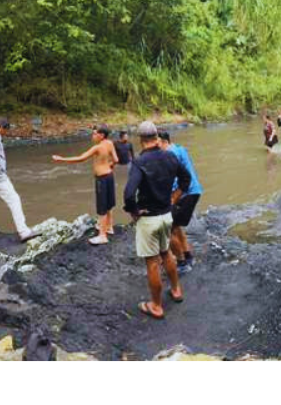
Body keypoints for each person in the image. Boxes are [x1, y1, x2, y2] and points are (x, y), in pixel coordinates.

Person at [124, 121, 191, 320]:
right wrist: (174, 197)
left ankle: (156, 306)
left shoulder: (139, 162)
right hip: (166, 215)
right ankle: (177, 290)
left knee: (152, 262)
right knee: (167, 253)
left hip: (149, 218)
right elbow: (186, 180)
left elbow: (128, 194)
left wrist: (133, 211)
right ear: (156, 137)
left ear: (141, 139)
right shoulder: (170, 155)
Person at [52, 124, 120, 245]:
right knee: (109, 204)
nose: (92, 136)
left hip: (102, 179)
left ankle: (102, 235)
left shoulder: (97, 148)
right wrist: (109, 167)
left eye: (95, 133)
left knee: (102, 207)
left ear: (101, 135)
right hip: (109, 176)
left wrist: (61, 159)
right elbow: (116, 160)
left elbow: (80, 158)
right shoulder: (110, 143)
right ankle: (109, 227)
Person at [0, 116, 38, 242]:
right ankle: (24, 231)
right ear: (0, 127)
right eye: (5, 131)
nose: (5, 134)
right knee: (14, 200)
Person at [158, 129, 203, 271]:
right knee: (175, 226)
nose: (155, 145)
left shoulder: (171, 153)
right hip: (193, 190)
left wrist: (168, 198)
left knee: (168, 228)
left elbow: (176, 179)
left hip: (187, 193)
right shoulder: (178, 148)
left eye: (157, 142)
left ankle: (182, 263)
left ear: (164, 142)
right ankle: (187, 255)